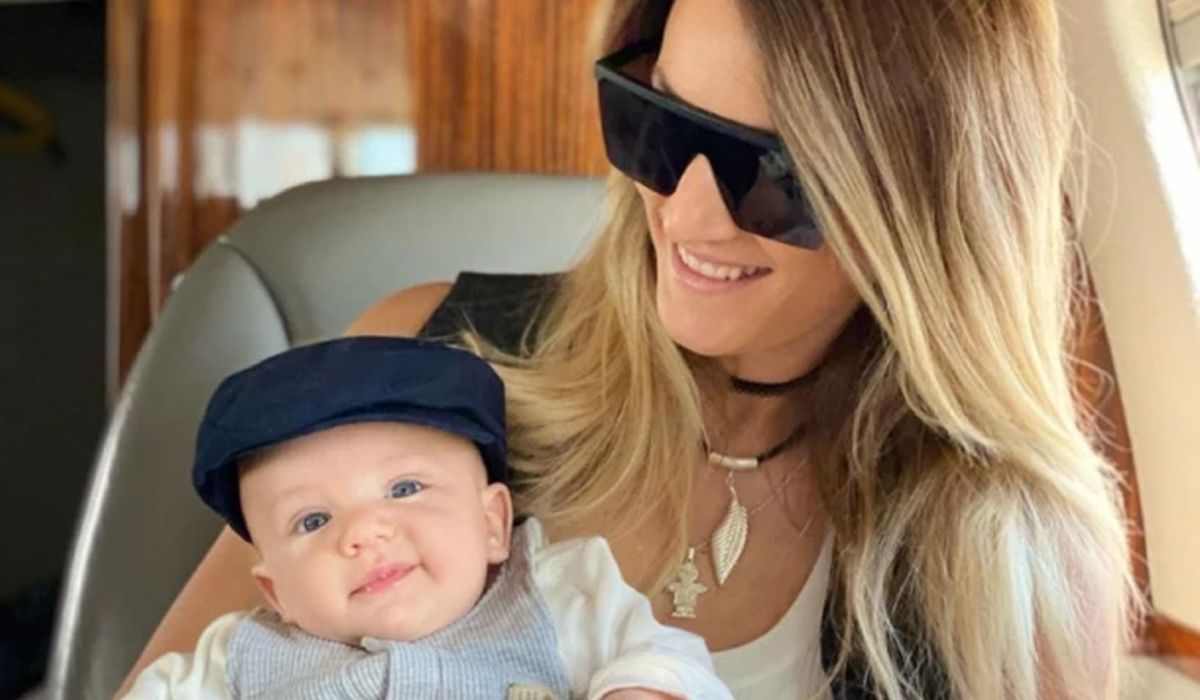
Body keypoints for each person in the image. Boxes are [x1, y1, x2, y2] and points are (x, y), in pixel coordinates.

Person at [119, 0, 1137, 698]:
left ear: (923, 207)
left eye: (771, 175)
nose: (685, 216)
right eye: (659, 122)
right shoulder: (404, 372)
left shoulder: (1018, 570)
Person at [120, 337, 734, 700]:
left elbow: (666, 656)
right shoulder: (238, 656)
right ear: (276, 591)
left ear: (493, 521)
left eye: (405, 488)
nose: (364, 533)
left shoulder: (557, 595)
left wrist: (640, 689)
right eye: (312, 521)